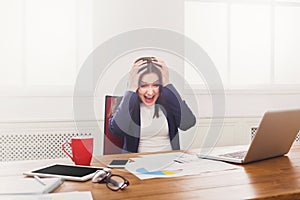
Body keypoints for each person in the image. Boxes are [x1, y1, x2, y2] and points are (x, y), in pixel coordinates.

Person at [108, 57, 196, 153]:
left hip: (170, 163)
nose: (150, 92)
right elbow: (116, 130)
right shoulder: (127, 104)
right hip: (137, 163)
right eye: (143, 85)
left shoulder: (169, 102)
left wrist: (167, 83)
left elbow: (187, 123)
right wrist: (131, 88)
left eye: (156, 85)